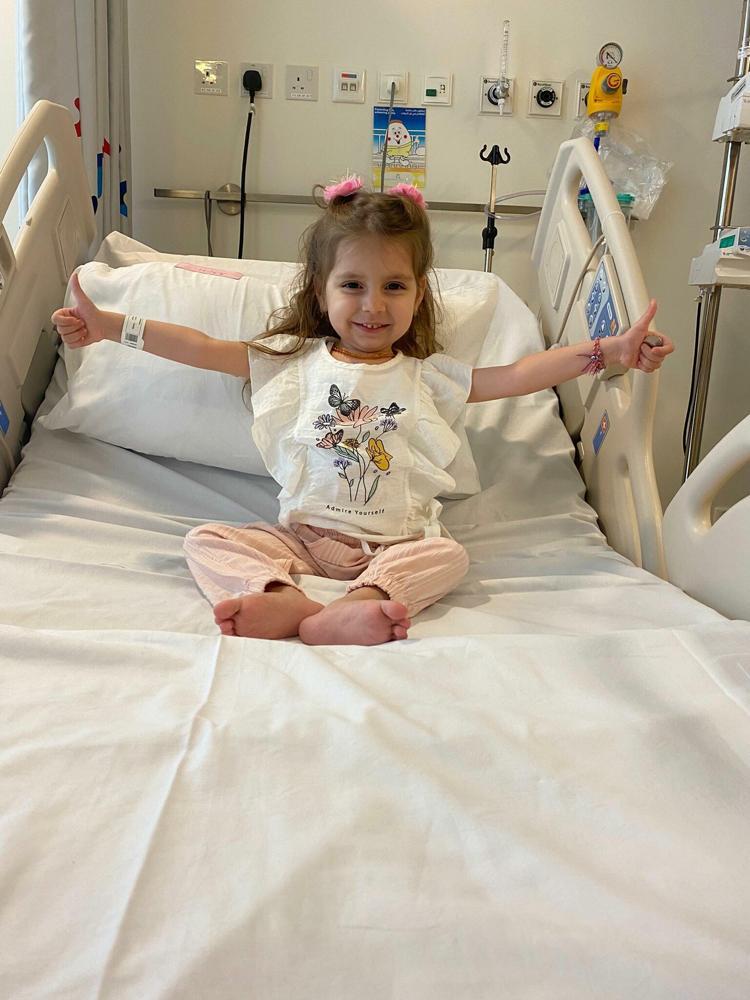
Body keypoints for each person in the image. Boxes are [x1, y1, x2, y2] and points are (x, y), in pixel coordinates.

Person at [51, 176, 674, 647]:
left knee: (448, 557)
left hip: (396, 543)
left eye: (394, 286)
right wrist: (110, 326)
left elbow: (516, 375)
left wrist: (608, 352)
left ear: (418, 295)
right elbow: (199, 346)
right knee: (207, 539)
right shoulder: (293, 362)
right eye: (352, 285)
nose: (373, 305)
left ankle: (364, 600)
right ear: (321, 292)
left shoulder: (427, 376)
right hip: (302, 539)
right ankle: (280, 595)